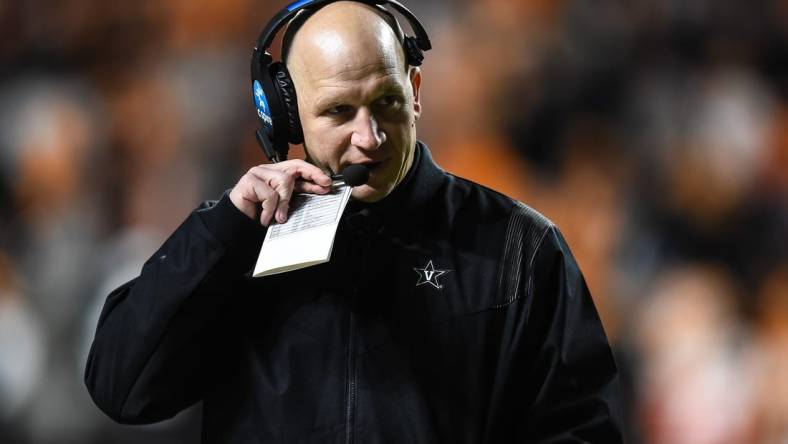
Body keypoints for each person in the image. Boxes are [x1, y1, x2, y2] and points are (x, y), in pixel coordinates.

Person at [84, 1, 623, 442]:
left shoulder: (519, 245)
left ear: (415, 91)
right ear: (286, 114)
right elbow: (123, 389)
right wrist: (222, 233)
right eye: (338, 112)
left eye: (386, 101)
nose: (370, 137)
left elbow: (579, 431)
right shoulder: (238, 243)